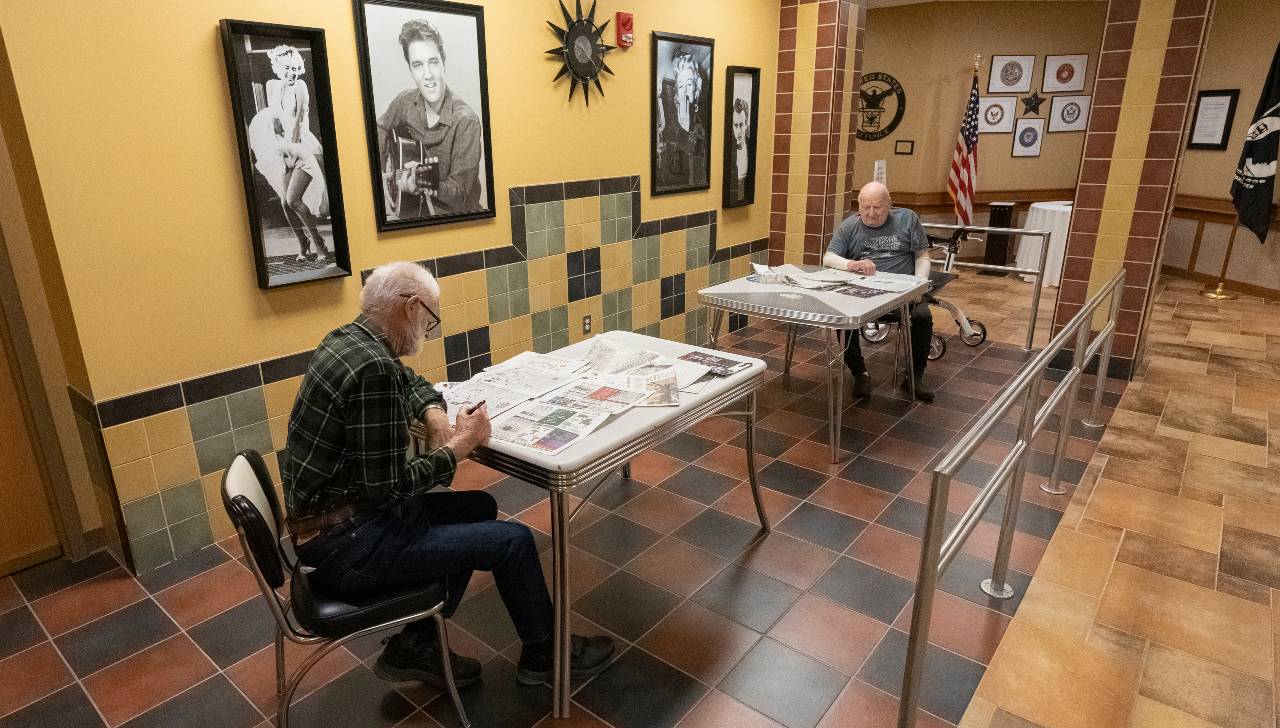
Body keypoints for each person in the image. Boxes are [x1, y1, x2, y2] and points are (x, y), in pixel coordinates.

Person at [282, 261, 613, 689]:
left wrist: (434, 414)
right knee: (513, 542)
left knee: (480, 505)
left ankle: (417, 644)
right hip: (348, 547)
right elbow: (389, 490)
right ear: (411, 306)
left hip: (330, 526)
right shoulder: (373, 370)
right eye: (430, 320)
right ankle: (545, 656)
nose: (427, 332)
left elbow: (411, 382)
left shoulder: (349, 340)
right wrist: (461, 445)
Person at [824, 181, 935, 402]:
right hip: (865, 293)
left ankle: (914, 376)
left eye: (877, 207)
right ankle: (859, 373)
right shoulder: (849, 227)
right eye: (866, 207)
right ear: (859, 205)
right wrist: (851, 265)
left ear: (889, 205)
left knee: (923, 317)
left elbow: (922, 256)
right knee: (843, 318)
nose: (871, 213)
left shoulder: (907, 219)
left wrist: (919, 283)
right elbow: (828, 258)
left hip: (902, 294)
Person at [376, 19, 484, 220]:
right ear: (410, 69)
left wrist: (423, 182)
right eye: (418, 65)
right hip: (416, 216)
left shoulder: (466, 121)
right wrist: (381, 175)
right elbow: (380, 128)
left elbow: (459, 194)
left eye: (433, 62)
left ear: (443, 61)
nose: (427, 75)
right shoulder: (405, 102)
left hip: (460, 224)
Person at [247, 45, 329, 262]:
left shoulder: (300, 87)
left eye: (294, 68)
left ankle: (319, 244)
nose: (291, 73)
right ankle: (303, 244)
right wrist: (279, 147)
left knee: (293, 199)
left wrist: (291, 153)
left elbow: (299, 123)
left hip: (304, 148)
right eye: (286, 68)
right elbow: (275, 120)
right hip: (285, 147)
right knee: (285, 202)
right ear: (276, 67)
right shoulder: (272, 86)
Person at [656, 50, 708, 189]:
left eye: (689, 84)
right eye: (681, 85)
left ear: (696, 91)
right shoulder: (669, 123)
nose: (684, 90)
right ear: (676, 95)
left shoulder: (701, 127)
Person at [728, 96, 751, 202]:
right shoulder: (728, 150)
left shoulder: (751, 148)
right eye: (735, 125)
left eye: (741, 125)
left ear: (746, 124)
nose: (738, 131)